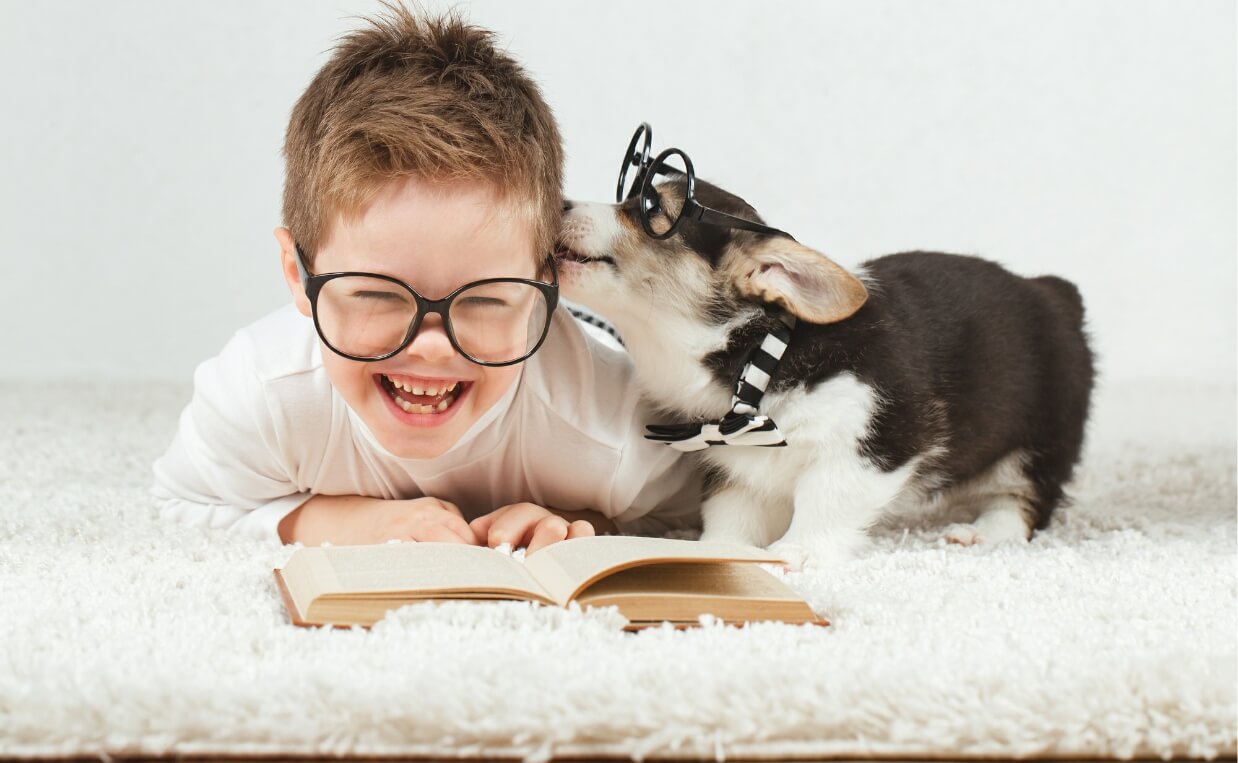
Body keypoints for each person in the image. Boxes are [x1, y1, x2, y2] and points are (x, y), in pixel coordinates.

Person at [150, 6, 699, 553]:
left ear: (547, 283)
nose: (432, 348)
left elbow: (693, 512)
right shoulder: (263, 392)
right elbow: (180, 502)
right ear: (299, 275)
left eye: (484, 299)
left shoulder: (611, 428)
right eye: (375, 294)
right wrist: (337, 521)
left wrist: (581, 519)